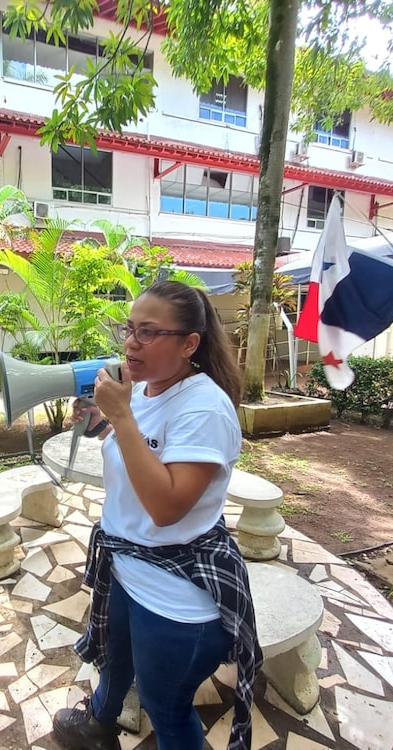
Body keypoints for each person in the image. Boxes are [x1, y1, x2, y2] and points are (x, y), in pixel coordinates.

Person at [52, 281, 261, 750]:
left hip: (176, 594)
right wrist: (102, 422)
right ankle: (98, 725)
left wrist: (122, 420)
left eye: (148, 332)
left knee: (165, 707)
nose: (130, 342)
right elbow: (140, 450)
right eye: (130, 329)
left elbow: (166, 507)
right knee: (115, 660)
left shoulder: (206, 409)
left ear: (190, 344)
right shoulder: (144, 389)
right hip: (129, 566)